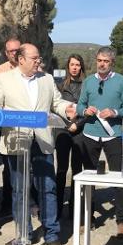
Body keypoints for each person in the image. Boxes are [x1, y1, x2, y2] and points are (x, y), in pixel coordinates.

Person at [0, 43, 76, 245]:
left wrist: (67, 109)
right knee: (19, 190)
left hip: (42, 141)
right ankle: (23, 234)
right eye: (34, 58)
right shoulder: (3, 79)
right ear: (21, 60)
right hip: (17, 141)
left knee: (48, 188)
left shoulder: (46, 79)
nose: (39, 61)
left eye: (39, 58)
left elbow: (57, 103)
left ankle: (52, 235)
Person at [76, 46, 123, 237]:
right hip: (90, 134)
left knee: (119, 179)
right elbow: (80, 106)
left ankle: (122, 222)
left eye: (106, 61)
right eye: (99, 60)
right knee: (89, 180)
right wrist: (85, 111)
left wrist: (115, 112)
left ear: (112, 63)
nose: (101, 64)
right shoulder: (88, 82)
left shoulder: (122, 82)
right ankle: (88, 218)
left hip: (113, 135)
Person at [0, 37, 21, 216]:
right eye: (11, 51)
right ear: (6, 53)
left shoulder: (35, 70)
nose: (15, 54)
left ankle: (31, 203)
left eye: (18, 50)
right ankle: (7, 204)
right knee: (9, 169)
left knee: (30, 168)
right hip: (8, 129)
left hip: (30, 129)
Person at [55, 54, 87, 219]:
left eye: (78, 65)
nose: (75, 67)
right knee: (61, 170)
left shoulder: (87, 85)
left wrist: (78, 124)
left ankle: (75, 210)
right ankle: (57, 208)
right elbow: (55, 107)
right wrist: (67, 124)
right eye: (72, 64)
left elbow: (89, 109)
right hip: (62, 131)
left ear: (81, 67)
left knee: (77, 170)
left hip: (79, 133)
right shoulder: (59, 85)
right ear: (67, 66)